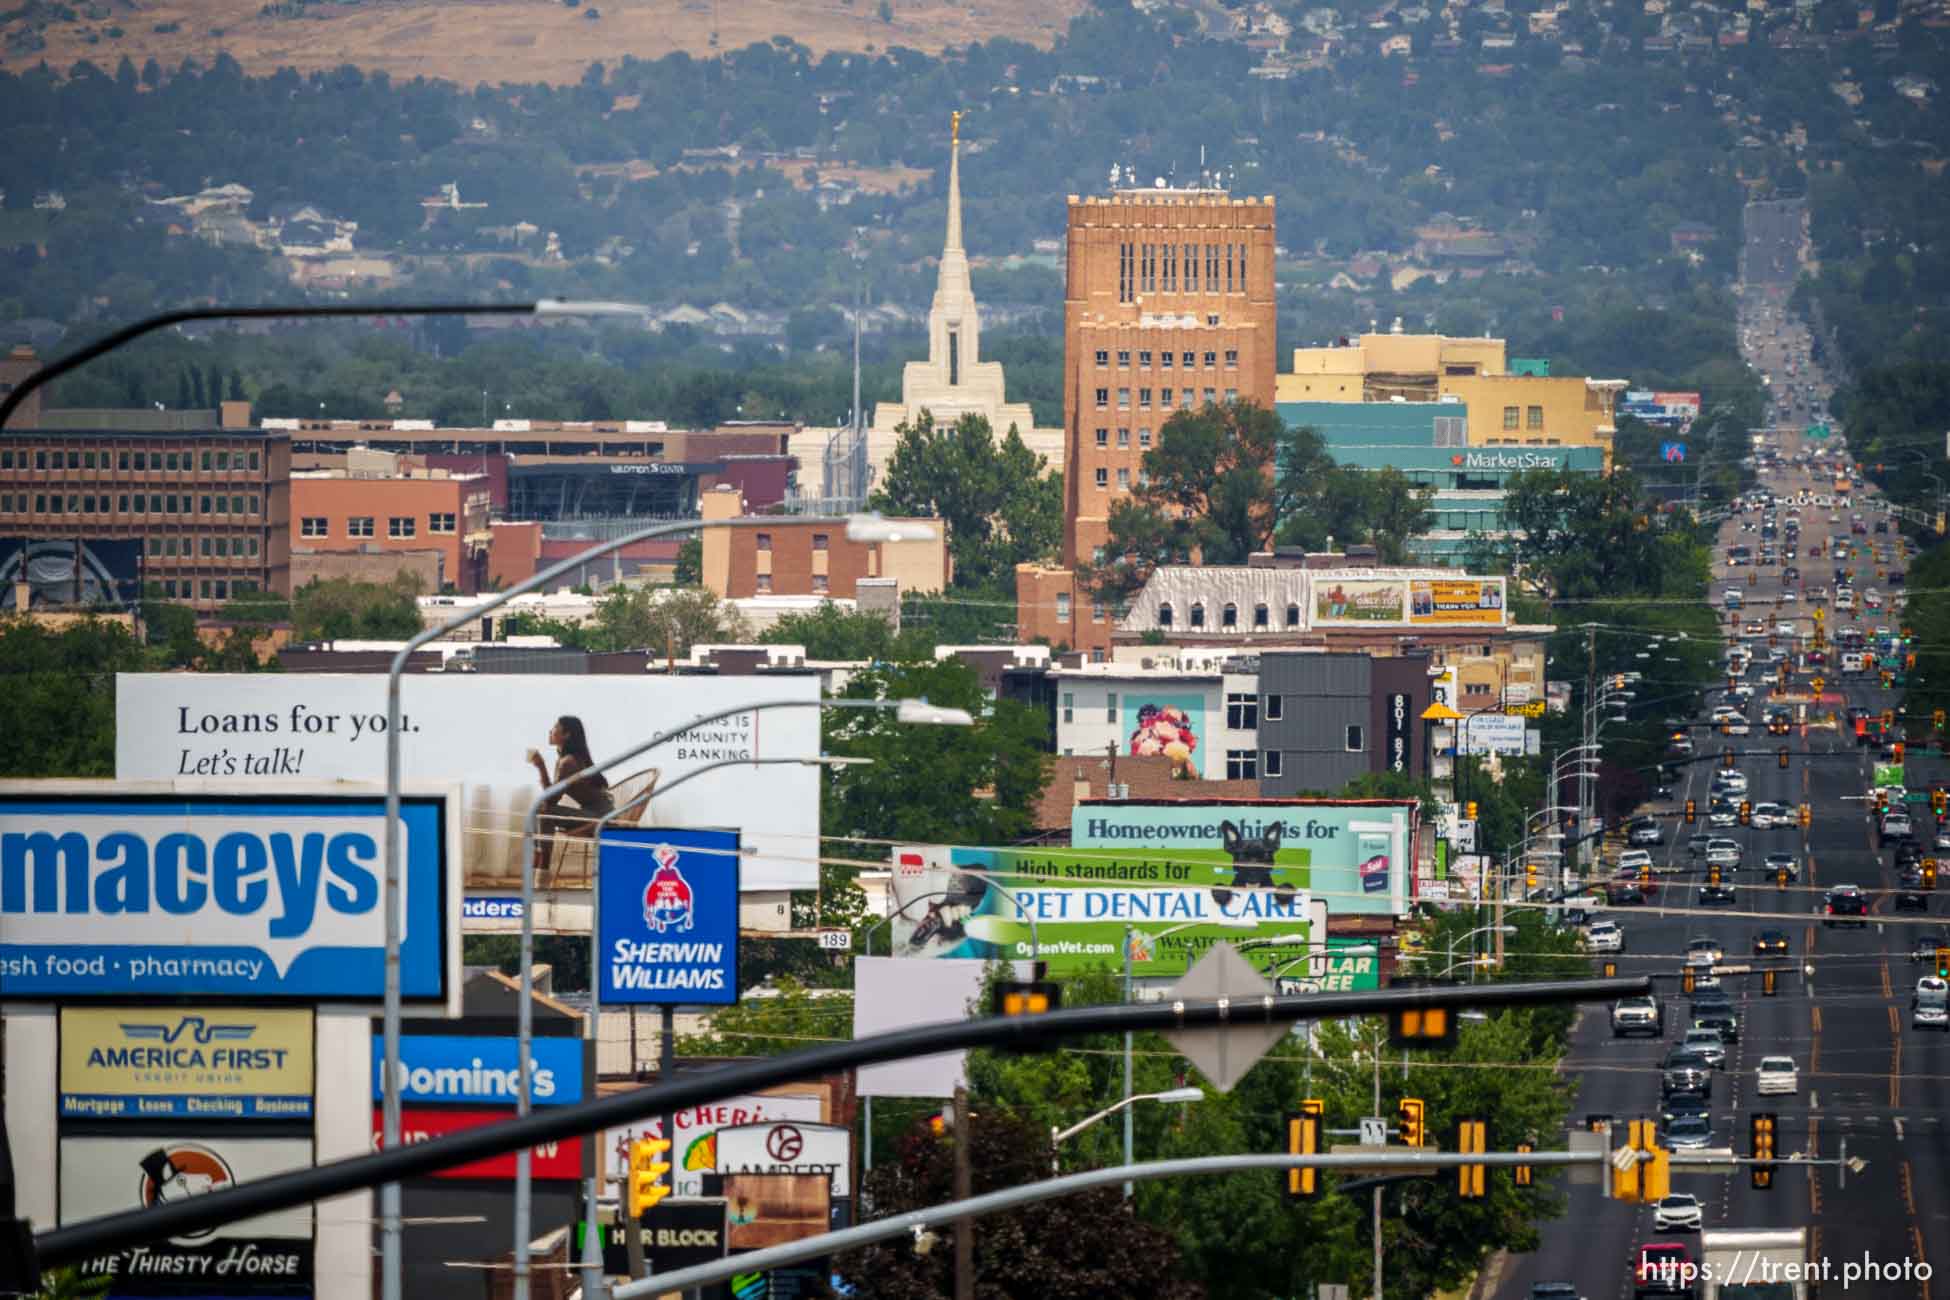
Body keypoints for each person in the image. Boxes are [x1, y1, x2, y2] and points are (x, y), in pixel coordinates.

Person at [527, 715, 614, 881]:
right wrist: (542, 767)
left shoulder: (568, 763)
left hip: (601, 819)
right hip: (596, 814)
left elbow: (551, 800)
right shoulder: (568, 759)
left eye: (555, 728)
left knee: (545, 812)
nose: (550, 731)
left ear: (566, 735)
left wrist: (541, 767)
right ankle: (541, 866)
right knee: (543, 811)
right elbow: (550, 796)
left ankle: (541, 869)